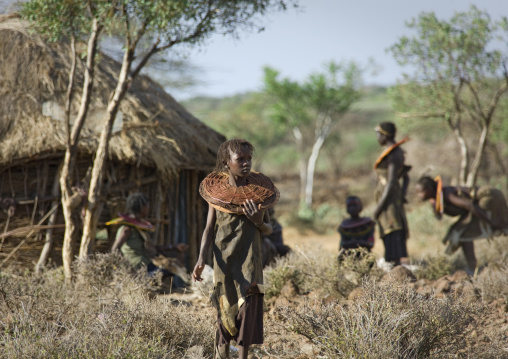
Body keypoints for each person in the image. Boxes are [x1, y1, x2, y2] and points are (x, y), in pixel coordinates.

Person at [192, 139, 279, 359]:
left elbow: (269, 229)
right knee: (224, 310)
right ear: (226, 162)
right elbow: (209, 229)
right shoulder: (217, 194)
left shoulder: (260, 193)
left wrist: (259, 221)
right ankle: (221, 355)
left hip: (251, 261)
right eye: (240, 159)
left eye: (249, 158)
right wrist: (201, 259)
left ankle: (242, 356)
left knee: (247, 309)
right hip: (224, 262)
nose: (246, 163)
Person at [416, 176, 508, 274]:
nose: (419, 195)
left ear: (430, 189)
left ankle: (471, 267)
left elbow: (469, 205)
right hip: (484, 200)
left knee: (463, 233)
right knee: (459, 233)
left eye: (421, 192)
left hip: (488, 196)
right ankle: (468, 266)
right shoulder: (438, 198)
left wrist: (489, 222)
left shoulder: (447, 194)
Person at [109, 193, 189, 286]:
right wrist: (125, 267)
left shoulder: (138, 227)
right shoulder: (127, 229)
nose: (148, 208)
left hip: (146, 264)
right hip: (138, 267)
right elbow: (114, 249)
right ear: (142, 207)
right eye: (147, 205)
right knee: (164, 273)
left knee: (171, 269)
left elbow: (151, 248)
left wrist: (174, 247)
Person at [373, 122, 411, 267]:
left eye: (378, 134)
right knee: (389, 226)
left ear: (384, 135)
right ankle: (393, 262)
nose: (377, 138)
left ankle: (394, 263)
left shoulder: (394, 154)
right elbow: (406, 177)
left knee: (392, 227)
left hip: (388, 197)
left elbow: (390, 182)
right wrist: (402, 193)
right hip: (391, 195)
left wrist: (379, 206)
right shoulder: (394, 152)